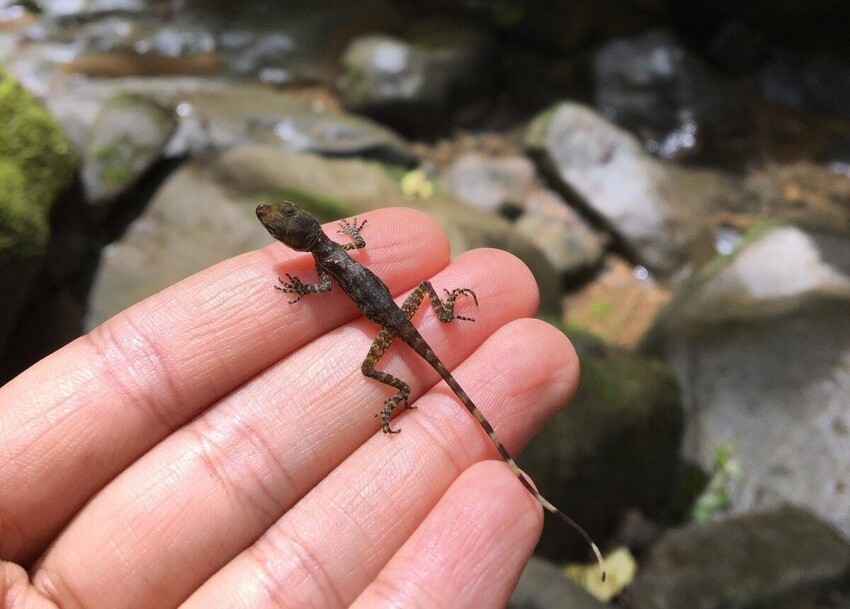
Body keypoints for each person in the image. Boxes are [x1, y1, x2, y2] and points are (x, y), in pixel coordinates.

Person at [0, 208, 580, 608]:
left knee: (366, 369)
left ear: (299, 239)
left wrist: (305, 291)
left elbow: (331, 288)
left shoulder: (327, 263)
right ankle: (442, 320)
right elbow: (349, 258)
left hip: (389, 323)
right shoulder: (336, 249)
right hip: (406, 309)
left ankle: (398, 397)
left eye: (278, 222)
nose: (272, 222)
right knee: (430, 311)